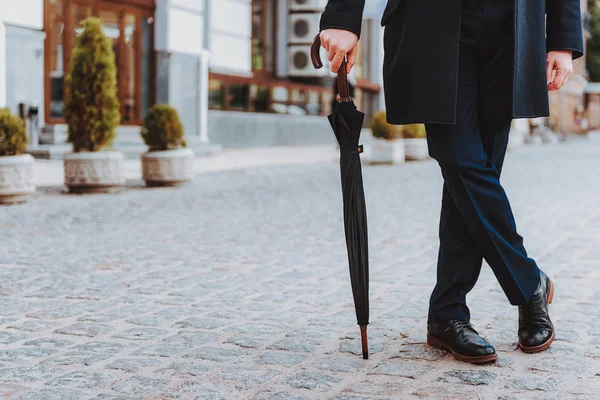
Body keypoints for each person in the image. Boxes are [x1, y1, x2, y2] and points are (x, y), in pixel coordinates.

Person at [318, 0, 583, 364]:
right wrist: (343, 16)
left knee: (477, 173)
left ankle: (447, 312)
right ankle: (528, 282)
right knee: (460, 159)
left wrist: (563, 39)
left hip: (514, 23)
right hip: (434, 21)